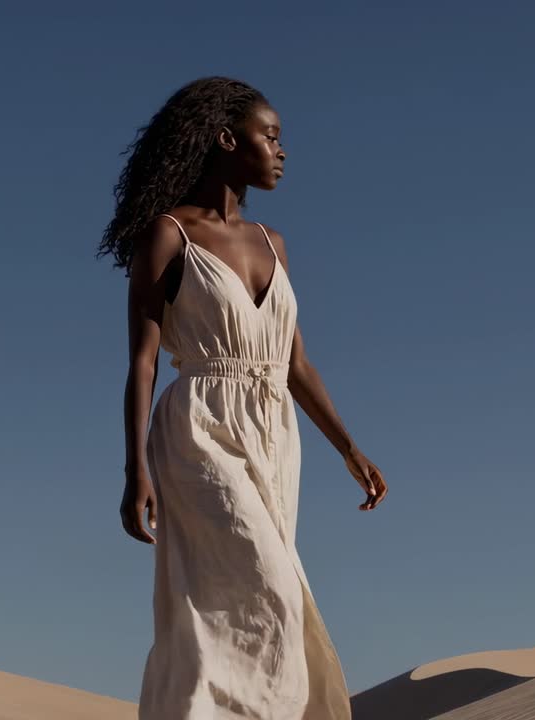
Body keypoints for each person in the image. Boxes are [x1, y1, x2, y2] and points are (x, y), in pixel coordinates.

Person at [96, 76, 388, 720]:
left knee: (236, 604)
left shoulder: (273, 244)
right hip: (198, 426)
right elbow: (141, 362)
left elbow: (295, 363)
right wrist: (134, 469)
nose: (283, 151)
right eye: (272, 136)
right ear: (228, 140)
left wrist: (349, 448)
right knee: (269, 588)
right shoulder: (168, 235)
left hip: (273, 433)